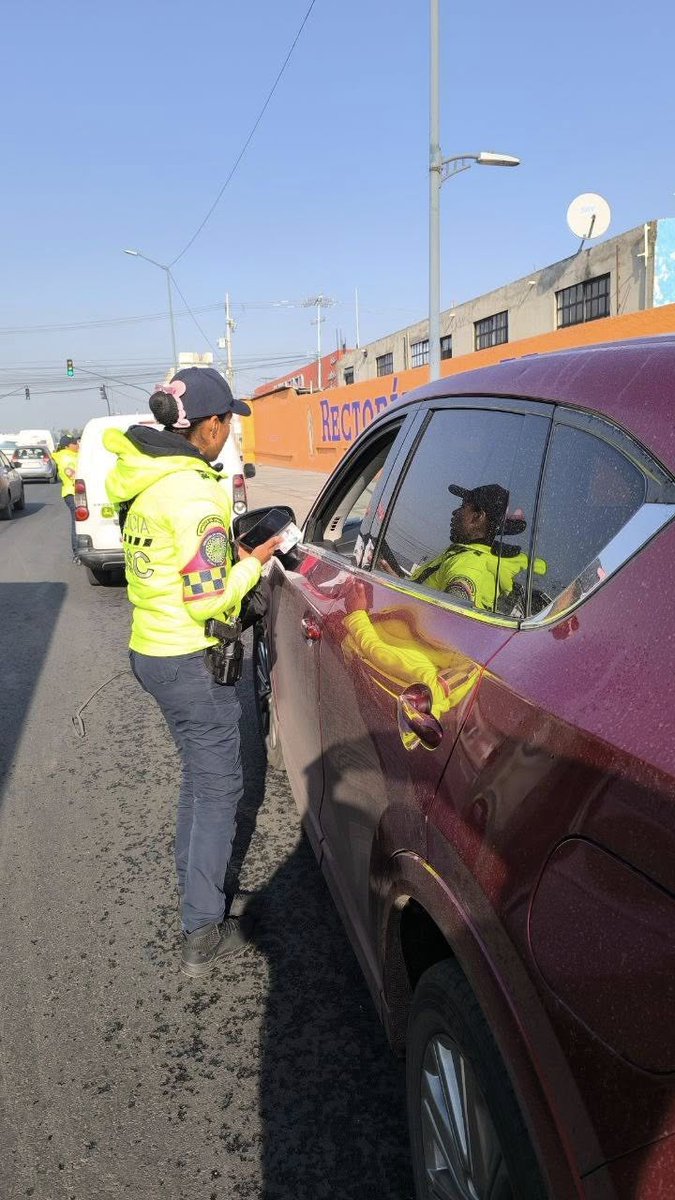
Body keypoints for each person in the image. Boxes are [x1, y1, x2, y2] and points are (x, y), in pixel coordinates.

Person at [104, 368, 282, 979]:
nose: (229, 433)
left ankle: (196, 891)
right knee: (220, 789)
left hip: (150, 648)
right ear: (209, 427)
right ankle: (202, 930)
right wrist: (253, 563)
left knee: (200, 780)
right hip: (188, 659)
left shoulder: (144, 476)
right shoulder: (193, 492)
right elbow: (208, 598)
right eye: (227, 422)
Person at [381, 482, 543, 613]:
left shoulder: (469, 565)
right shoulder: (469, 555)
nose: (455, 512)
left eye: (463, 506)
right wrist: (400, 585)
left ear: (477, 517)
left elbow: (450, 615)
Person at [52, 433, 80, 562]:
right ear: (67, 446)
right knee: (77, 522)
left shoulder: (72, 455)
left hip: (74, 492)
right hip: (72, 493)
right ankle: (77, 553)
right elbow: (72, 475)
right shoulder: (66, 458)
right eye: (75, 443)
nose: (77, 445)